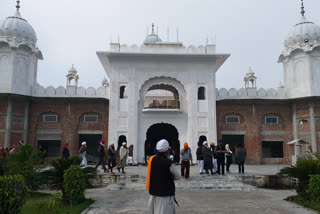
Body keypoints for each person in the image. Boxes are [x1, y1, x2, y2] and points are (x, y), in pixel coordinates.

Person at [146, 139, 180, 214]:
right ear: (167, 150)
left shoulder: (152, 160)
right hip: (165, 195)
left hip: (153, 193)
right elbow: (178, 176)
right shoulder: (168, 162)